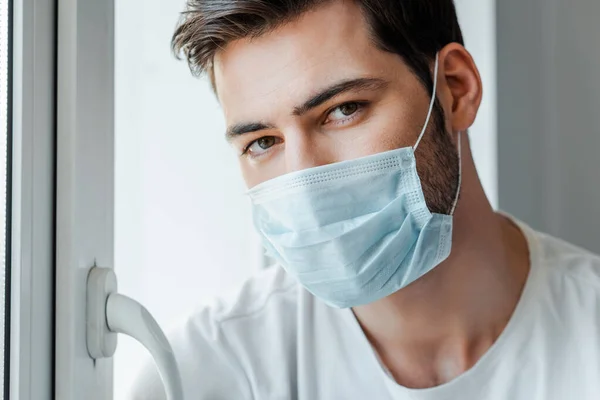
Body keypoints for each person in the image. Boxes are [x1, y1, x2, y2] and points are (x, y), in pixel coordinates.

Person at [130, 0, 600, 399]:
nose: (305, 178)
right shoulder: (204, 374)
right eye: (263, 142)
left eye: (343, 110)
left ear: (456, 89)